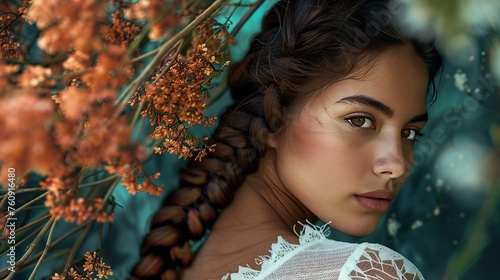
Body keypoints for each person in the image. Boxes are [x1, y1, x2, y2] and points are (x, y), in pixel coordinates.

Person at [131, 0, 443, 279]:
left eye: (409, 133)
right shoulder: (365, 273)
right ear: (275, 117)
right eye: (359, 120)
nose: (397, 165)